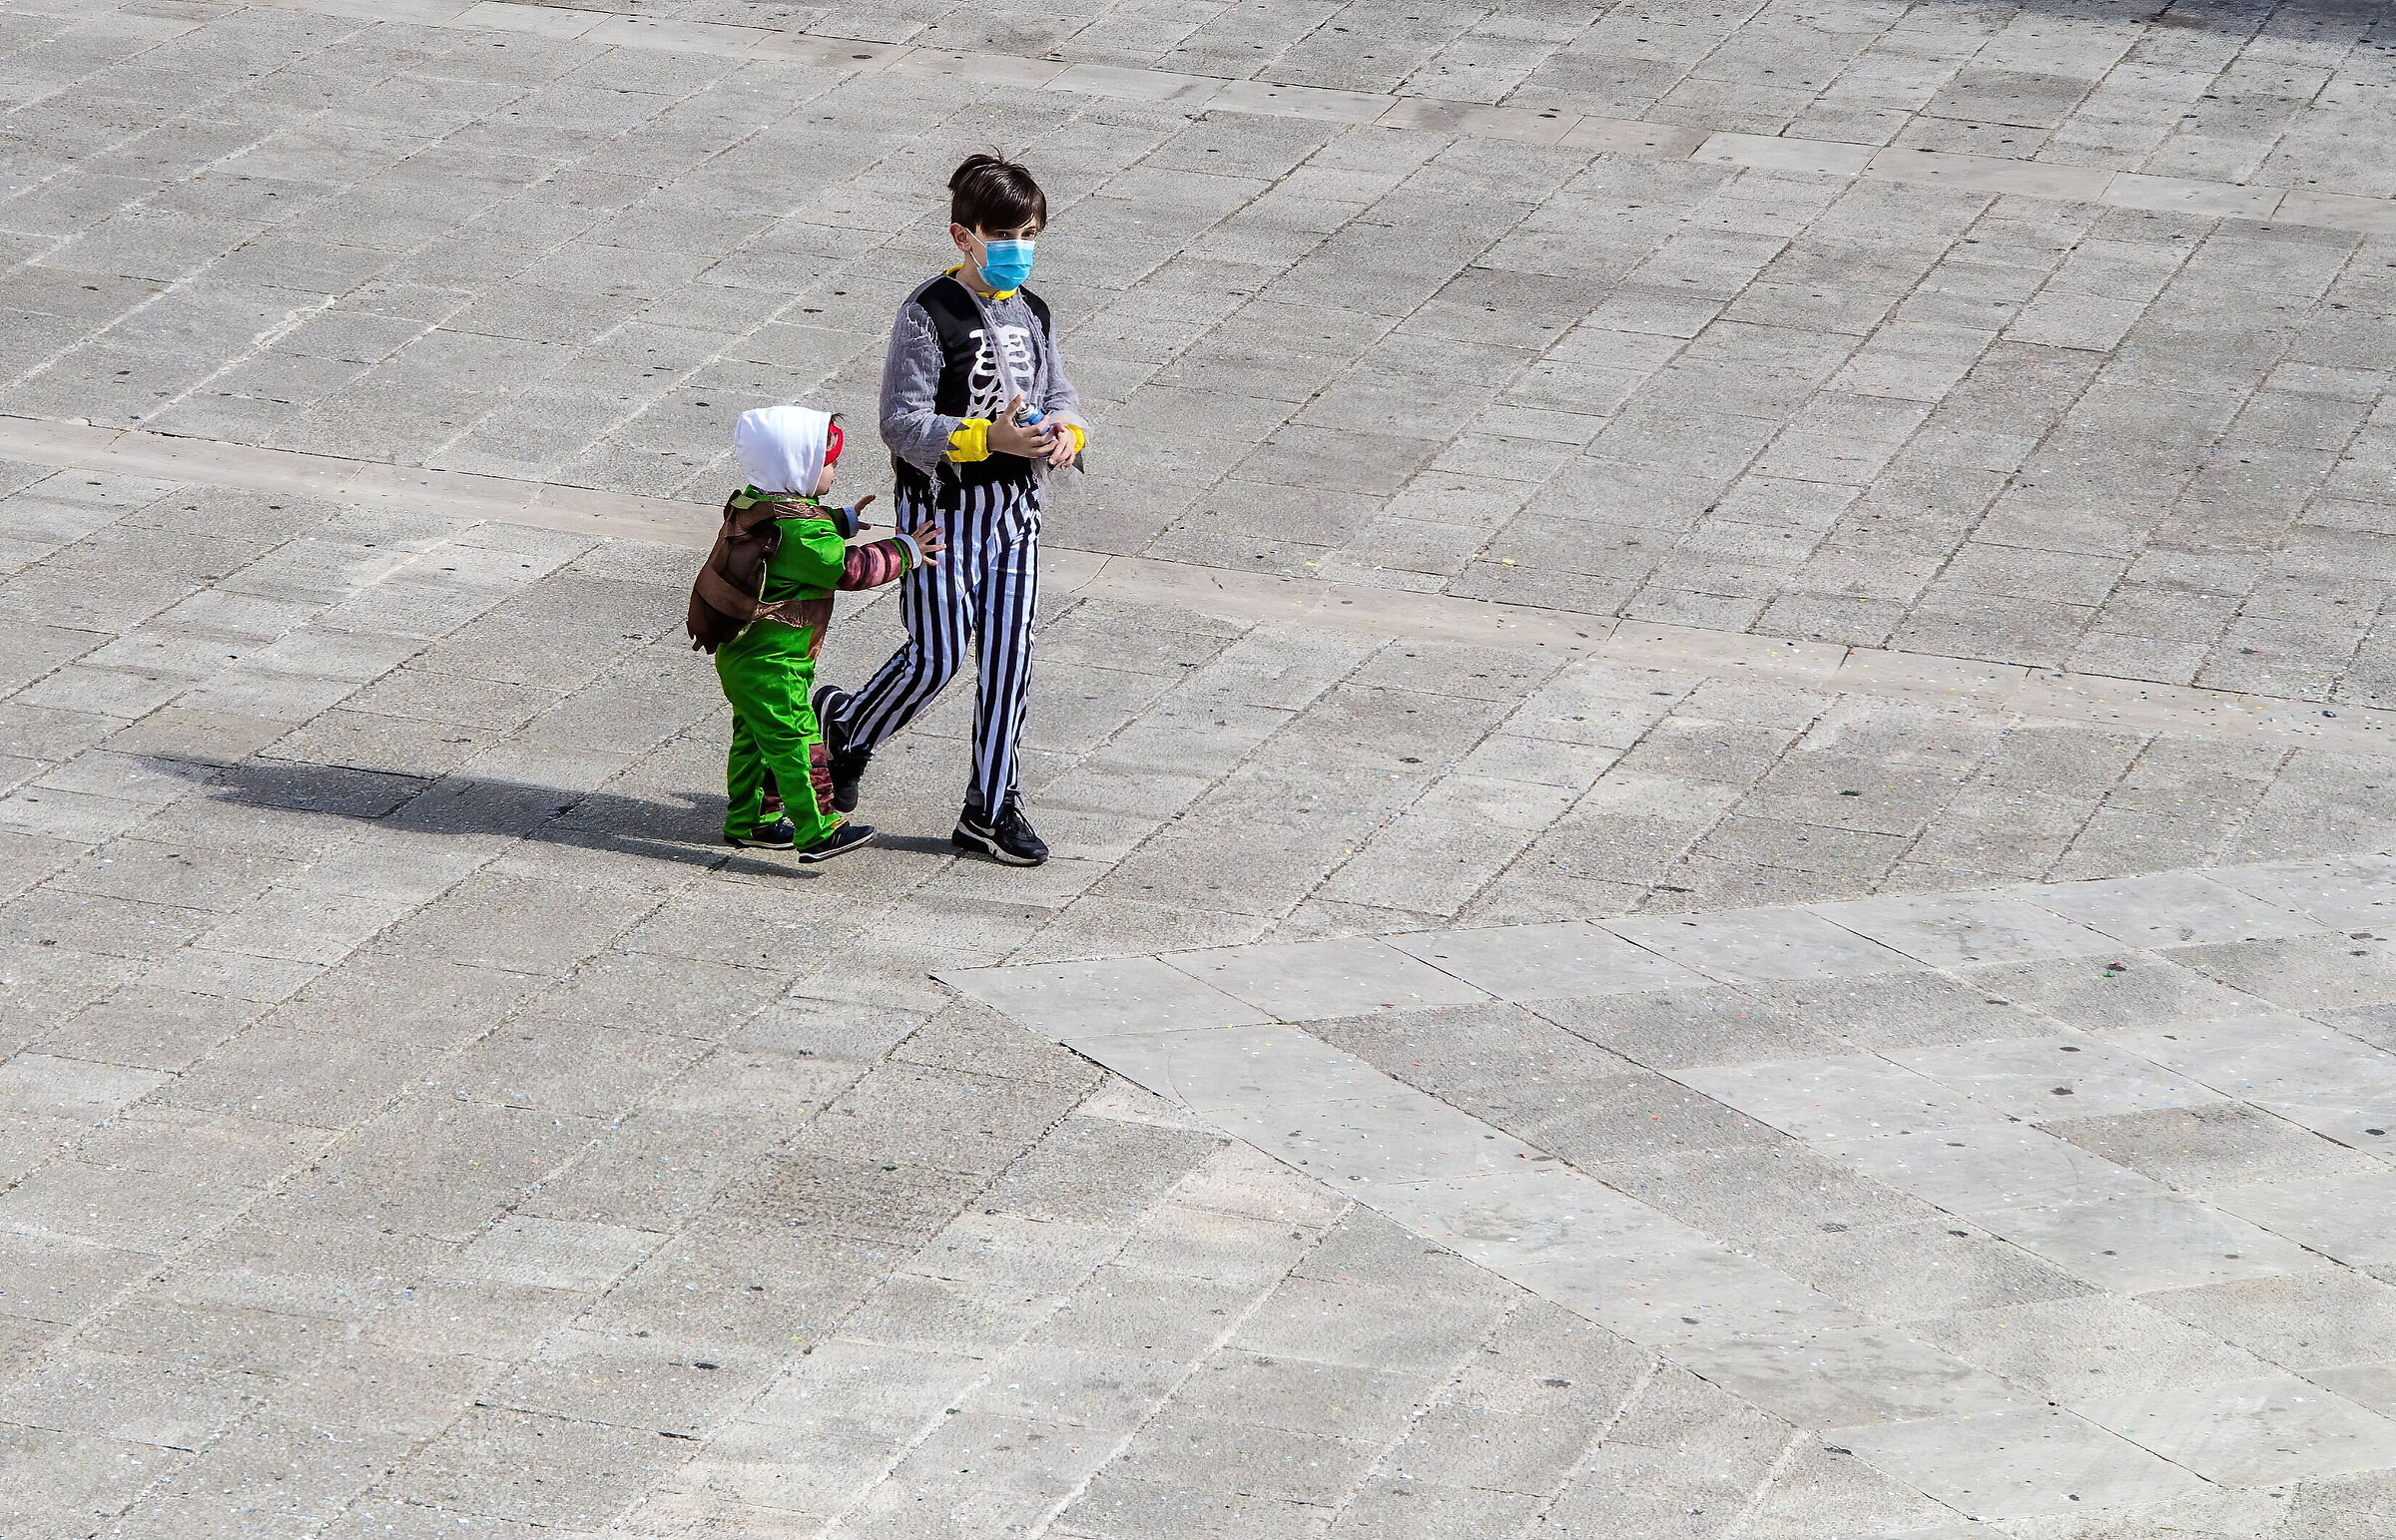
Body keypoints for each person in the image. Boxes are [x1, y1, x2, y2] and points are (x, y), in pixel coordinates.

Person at [811, 153, 1087, 867]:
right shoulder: (927, 314)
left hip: (1016, 515)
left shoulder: (1034, 312)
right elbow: (901, 422)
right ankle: (849, 726)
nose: (1018, 250)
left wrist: (1067, 434)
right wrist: (986, 437)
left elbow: (1060, 394)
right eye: (1004, 237)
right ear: (964, 236)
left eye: (1029, 236)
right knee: (936, 655)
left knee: (1009, 659)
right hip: (942, 516)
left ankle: (991, 805)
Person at [688, 404, 941, 862]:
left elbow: (791, 531)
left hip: (745, 655)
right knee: (799, 744)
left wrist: (841, 521)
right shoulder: (803, 534)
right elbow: (845, 568)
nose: (834, 471)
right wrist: (905, 550)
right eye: (827, 463)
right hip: (775, 663)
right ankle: (819, 829)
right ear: (796, 466)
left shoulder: (754, 501)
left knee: (757, 740)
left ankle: (750, 819)